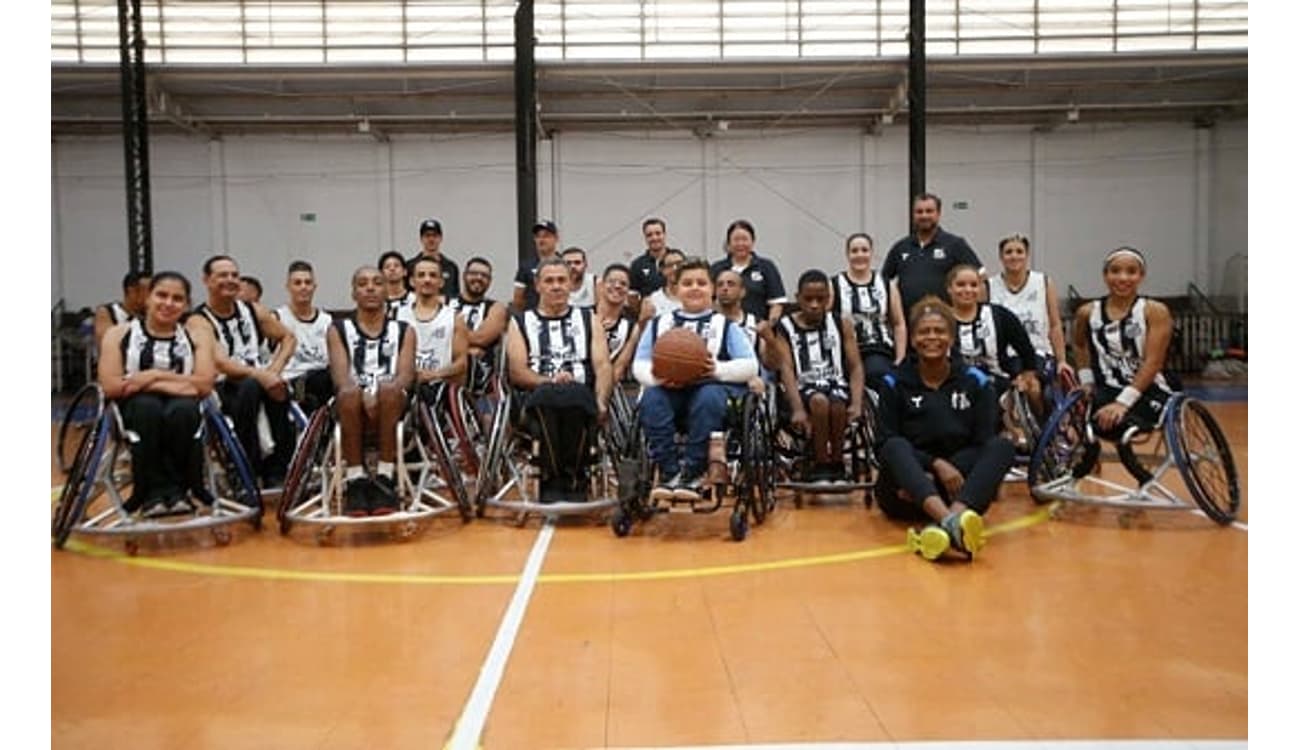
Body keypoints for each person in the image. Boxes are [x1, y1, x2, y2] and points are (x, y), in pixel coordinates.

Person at [874, 296, 1015, 561]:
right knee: (895, 446)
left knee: (1002, 446)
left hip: (958, 486)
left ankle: (948, 523)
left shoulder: (977, 382)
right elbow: (884, 444)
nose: (932, 337)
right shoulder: (894, 382)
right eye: (924, 331)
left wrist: (952, 471)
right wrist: (935, 464)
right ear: (913, 339)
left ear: (951, 338)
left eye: (939, 331)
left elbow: (982, 442)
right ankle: (953, 522)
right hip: (906, 489)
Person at [633, 258, 758, 500]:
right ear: (676, 289)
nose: (694, 287)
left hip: (712, 390)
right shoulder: (660, 324)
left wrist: (717, 370)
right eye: (687, 283)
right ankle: (670, 473)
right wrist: (658, 378)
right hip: (670, 391)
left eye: (701, 282)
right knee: (651, 398)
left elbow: (750, 365)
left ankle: (693, 471)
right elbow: (640, 364)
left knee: (707, 397)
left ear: (711, 289)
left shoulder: (726, 326)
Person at [98, 272, 217, 516]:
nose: (168, 303)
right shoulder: (119, 334)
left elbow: (204, 384)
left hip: (181, 405)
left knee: (182, 410)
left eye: (177, 298)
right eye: (161, 295)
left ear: (185, 305)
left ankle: (180, 490)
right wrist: (180, 382)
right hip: (134, 410)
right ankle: (149, 492)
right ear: (148, 299)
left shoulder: (197, 336)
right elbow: (111, 385)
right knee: (148, 408)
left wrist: (150, 377)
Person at [505, 258, 613, 502]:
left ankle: (573, 476)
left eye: (562, 280)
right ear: (537, 285)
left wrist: (602, 400)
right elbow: (518, 372)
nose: (556, 286)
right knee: (550, 396)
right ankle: (553, 477)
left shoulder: (589, 318)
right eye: (549, 281)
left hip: (581, 395)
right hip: (537, 395)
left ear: (570, 285)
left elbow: (603, 365)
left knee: (574, 396)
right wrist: (550, 381)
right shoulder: (520, 322)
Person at [189, 255, 298, 489]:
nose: (230, 280)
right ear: (207, 280)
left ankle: (278, 467)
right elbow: (221, 363)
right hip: (223, 387)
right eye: (222, 275)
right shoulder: (198, 320)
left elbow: (288, 337)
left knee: (274, 388)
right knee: (252, 386)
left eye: (234, 275)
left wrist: (274, 369)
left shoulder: (253, 310)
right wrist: (263, 375)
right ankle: (247, 465)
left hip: (263, 381)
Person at [327, 266, 417, 517]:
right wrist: (363, 394)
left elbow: (406, 376)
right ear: (353, 292)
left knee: (390, 388)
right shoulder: (338, 329)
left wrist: (378, 394)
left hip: (392, 402)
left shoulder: (405, 330)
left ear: (387, 290)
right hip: (351, 402)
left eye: (377, 283)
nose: (370, 288)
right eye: (363, 283)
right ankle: (355, 479)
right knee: (348, 393)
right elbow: (340, 377)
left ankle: (385, 478)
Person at [1073, 246, 1174, 448]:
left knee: (1121, 425)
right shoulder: (1087, 312)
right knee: (1071, 421)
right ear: (1105, 275)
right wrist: (1086, 380)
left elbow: (1153, 362)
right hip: (1105, 388)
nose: (1122, 278)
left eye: (1131, 271)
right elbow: (1079, 344)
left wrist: (1123, 402)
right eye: (1115, 271)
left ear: (1141, 276)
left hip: (1147, 389)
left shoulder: (1154, 311)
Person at [773, 270, 865, 482]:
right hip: (802, 388)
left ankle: (838, 462)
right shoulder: (785, 326)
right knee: (819, 401)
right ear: (797, 298)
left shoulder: (842, 323)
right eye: (808, 299)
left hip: (836, 384)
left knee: (838, 405)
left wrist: (858, 403)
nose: (814, 304)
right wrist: (797, 408)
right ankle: (821, 462)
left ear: (829, 299)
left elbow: (856, 366)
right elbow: (785, 368)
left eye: (820, 299)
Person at [945, 265, 1040, 426]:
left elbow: (1027, 352)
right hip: (953, 386)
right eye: (961, 285)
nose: (968, 290)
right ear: (949, 289)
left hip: (999, 383)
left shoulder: (999, 315)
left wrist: (1026, 378)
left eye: (974, 285)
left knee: (1034, 389)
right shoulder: (940, 318)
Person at [986, 232, 1074, 393]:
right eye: (1008, 252)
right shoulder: (989, 286)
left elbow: (1055, 325)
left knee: (1033, 387)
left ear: (1027, 255)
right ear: (1001, 257)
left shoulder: (1043, 282)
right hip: (1003, 356)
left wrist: (1062, 360)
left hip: (1038, 352)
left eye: (1019, 251)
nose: (1014, 256)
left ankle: (1039, 417)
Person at [881, 193, 985, 318]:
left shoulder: (955, 244)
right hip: (908, 322)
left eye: (929, 211)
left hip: (946, 323)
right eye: (919, 212)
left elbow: (981, 276)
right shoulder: (900, 247)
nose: (924, 215)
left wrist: (977, 315)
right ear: (913, 215)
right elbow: (883, 283)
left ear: (938, 214)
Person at [832, 232, 906, 386]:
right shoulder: (834, 285)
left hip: (878, 349)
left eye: (864, 250)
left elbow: (899, 324)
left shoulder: (887, 285)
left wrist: (900, 358)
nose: (860, 255)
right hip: (846, 351)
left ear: (871, 253)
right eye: (854, 251)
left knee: (877, 373)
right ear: (847, 254)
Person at [398, 256, 469, 404]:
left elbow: (461, 363)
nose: (427, 280)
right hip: (404, 388)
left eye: (433, 275)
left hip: (439, 387)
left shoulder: (454, 317)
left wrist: (435, 374)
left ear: (441, 282)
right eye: (421, 275)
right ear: (411, 281)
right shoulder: (397, 315)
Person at [274, 260, 334, 415]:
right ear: (288, 287)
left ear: (314, 287)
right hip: (291, 379)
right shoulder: (277, 318)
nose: (303, 287)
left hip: (323, 376)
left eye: (308, 282)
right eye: (297, 283)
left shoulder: (327, 320)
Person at [714, 268, 781, 394]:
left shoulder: (756, 323)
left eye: (731, 284)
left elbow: (772, 365)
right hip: (715, 379)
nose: (725, 288)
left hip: (750, 382)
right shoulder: (709, 321)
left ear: (742, 292)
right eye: (720, 284)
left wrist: (770, 340)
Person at [449, 256, 510, 393]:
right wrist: (466, 351)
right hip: (444, 366)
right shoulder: (446, 303)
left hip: (480, 375)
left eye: (484, 275)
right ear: (464, 276)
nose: (478, 278)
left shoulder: (496, 307)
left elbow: (481, 338)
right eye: (473, 273)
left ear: (490, 281)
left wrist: (451, 335)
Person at [709, 219, 787, 322]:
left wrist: (769, 327)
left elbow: (777, 303)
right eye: (736, 240)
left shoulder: (766, 266)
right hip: (723, 326)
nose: (740, 244)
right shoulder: (717, 268)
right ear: (728, 243)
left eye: (745, 239)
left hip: (757, 328)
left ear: (753, 241)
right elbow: (709, 300)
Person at [595, 263, 640, 384]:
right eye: (611, 282)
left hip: (609, 387)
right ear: (601, 285)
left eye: (623, 284)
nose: (617, 286)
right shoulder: (583, 316)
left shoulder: (632, 328)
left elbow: (619, 368)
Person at [405, 218, 460, 301]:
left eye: (435, 236)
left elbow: (455, 295)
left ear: (441, 238)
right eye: (427, 236)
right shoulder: (410, 265)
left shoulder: (451, 267)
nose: (431, 239)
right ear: (421, 239)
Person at [513, 219, 562, 312]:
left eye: (546, 236)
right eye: (538, 236)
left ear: (556, 238)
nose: (541, 240)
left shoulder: (565, 263)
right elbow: (518, 299)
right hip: (533, 318)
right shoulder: (526, 266)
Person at [93, 270, 151, 347]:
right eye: (149, 292)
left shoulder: (150, 315)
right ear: (132, 291)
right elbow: (105, 342)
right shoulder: (108, 312)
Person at [628, 217, 673, 312]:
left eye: (658, 233)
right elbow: (632, 296)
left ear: (664, 235)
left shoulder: (677, 260)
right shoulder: (637, 265)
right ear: (645, 238)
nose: (654, 238)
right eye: (649, 235)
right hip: (649, 317)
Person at [640, 248, 685, 321]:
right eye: (670, 265)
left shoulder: (696, 297)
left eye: (679, 264)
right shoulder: (652, 300)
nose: (675, 268)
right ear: (663, 270)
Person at [380, 250, 415, 320]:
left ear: (405, 271)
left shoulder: (415, 300)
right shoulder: (377, 302)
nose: (392, 269)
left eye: (396, 266)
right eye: (387, 267)